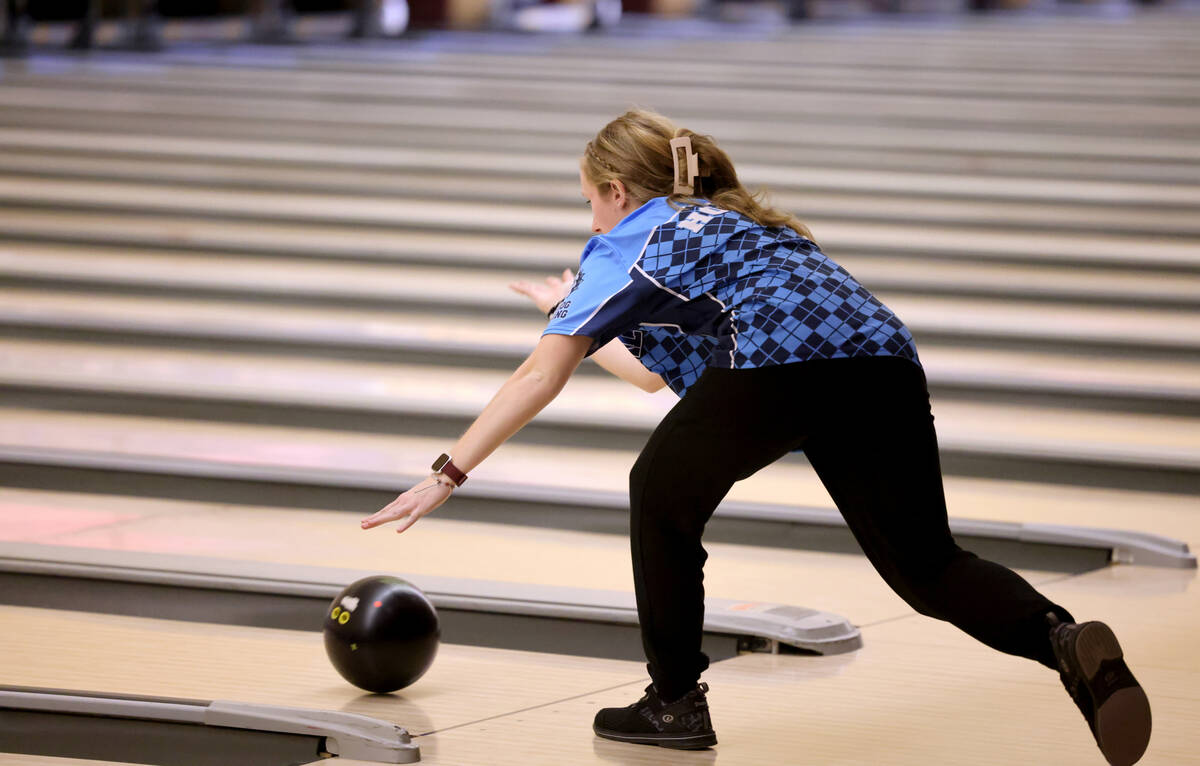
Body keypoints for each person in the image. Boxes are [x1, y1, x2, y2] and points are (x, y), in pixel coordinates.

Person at [360, 109, 1152, 765]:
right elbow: (653, 377)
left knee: (659, 496)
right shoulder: (734, 223)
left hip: (783, 364)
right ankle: (1061, 640)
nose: (588, 220)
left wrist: (447, 472)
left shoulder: (625, 238)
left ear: (612, 190)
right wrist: (564, 313)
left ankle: (673, 703)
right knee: (926, 563)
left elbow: (539, 376)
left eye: (587, 202)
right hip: (882, 358)